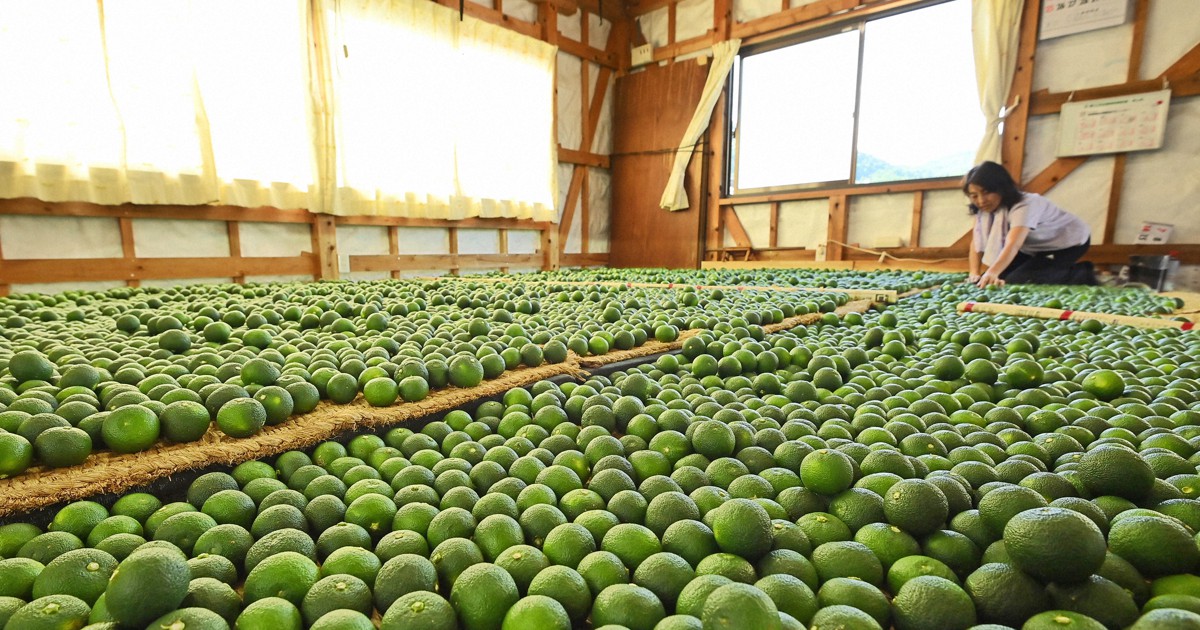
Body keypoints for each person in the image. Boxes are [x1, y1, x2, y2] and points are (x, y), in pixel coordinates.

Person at [963, 161, 1096, 287]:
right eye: (974, 195)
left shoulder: (1025, 204)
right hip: (1033, 247)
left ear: (1001, 188)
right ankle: (1041, 264)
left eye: (986, 192)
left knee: (1018, 279)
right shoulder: (983, 211)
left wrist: (992, 272)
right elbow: (977, 241)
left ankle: (1081, 271)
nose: (981, 201)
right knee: (1000, 277)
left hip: (1068, 242)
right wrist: (974, 273)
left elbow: (1013, 243)